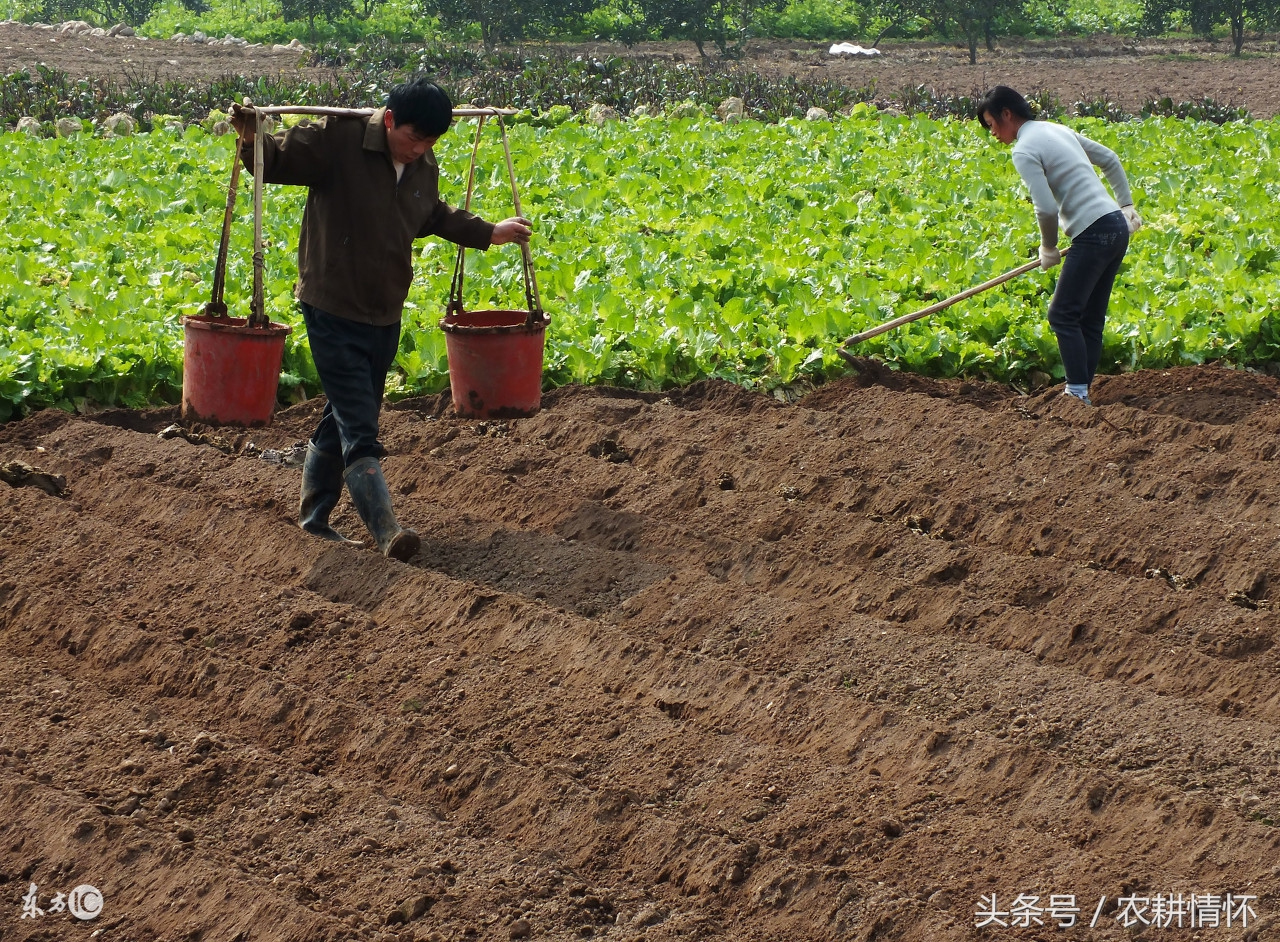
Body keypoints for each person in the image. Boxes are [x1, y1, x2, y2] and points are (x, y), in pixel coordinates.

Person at [230, 78, 531, 561]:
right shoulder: (338, 138)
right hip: (331, 304)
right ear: (389, 119)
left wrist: (488, 231)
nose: (420, 149)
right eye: (414, 137)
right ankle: (387, 531)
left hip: (384, 308)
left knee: (346, 412)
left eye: (431, 142)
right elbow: (277, 160)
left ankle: (313, 517)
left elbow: (430, 214)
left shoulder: (420, 163)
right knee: (360, 422)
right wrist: (251, 138)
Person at [976, 85, 1142, 406]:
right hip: (1114, 227)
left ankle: (1076, 394)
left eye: (992, 125)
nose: (993, 133)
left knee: (1062, 315)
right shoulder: (1056, 129)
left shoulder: (1023, 149)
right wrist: (1126, 206)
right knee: (1089, 318)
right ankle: (1082, 390)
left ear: (1007, 115)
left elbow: (1047, 208)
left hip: (1093, 233)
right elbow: (1109, 158)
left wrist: (1048, 247)